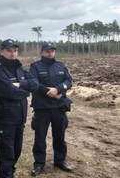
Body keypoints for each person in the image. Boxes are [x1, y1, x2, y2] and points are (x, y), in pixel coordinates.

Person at [0, 39, 39, 178]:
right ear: (1, 51)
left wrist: (20, 83)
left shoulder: (19, 69)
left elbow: (35, 84)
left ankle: (10, 173)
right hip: (5, 119)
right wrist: (25, 91)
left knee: (16, 151)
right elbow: (9, 91)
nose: (12, 54)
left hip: (20, 119)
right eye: (9, 51)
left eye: (15, 51)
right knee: (6, 153)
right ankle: (5, 174)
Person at [29, 43, 73, 176]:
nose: (50, 53)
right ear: (42, 52)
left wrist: (59, 89)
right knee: (40, 137)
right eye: (47, 51)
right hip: (42, 107)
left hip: (59, 107)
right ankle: (39, 164)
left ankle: (60, 161)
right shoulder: (35, 67)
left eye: (52, 51)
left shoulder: (61, 66)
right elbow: (33, 83)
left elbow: (68, 81)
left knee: (60, 136)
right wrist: (49, 91)